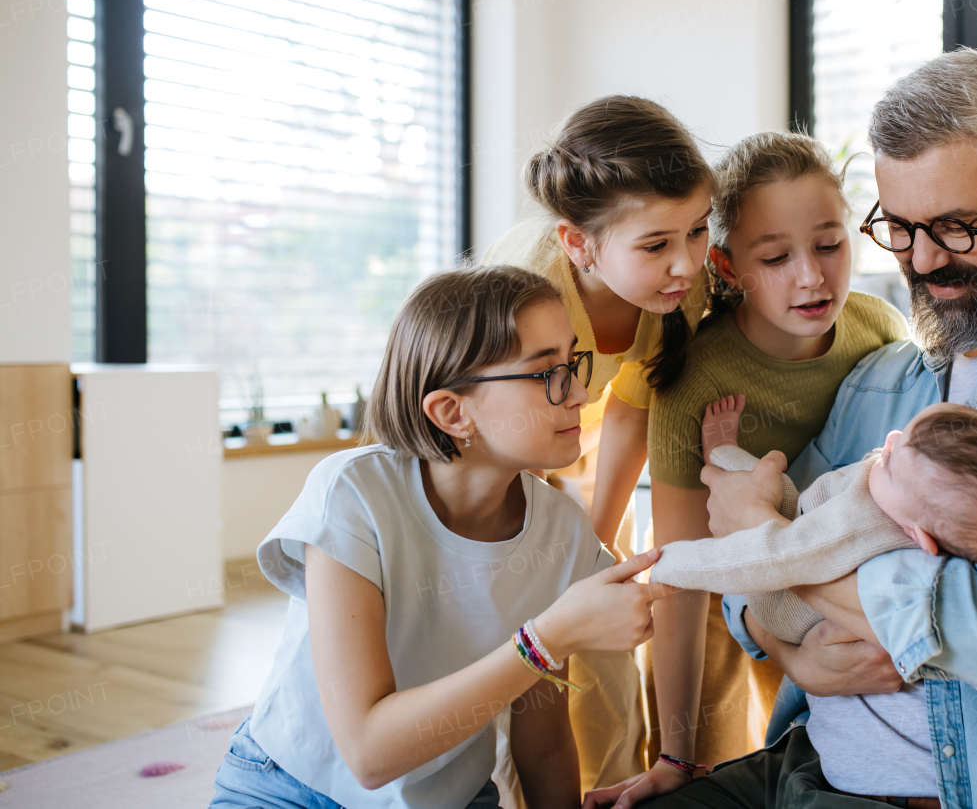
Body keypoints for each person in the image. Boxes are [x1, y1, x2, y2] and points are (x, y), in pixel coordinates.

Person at [643, 49, 977, 809]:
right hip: (799, 756)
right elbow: (742, 603)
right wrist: (796, 657)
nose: (923, 259)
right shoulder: (879, 371)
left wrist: (773, 544)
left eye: (957, 228)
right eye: (899, 228)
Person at [207, 265, 677, 809]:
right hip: (288, 787)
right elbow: (369, 753)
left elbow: (543, 744)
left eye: (572, 363)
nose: (579, 393)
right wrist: (547, 639)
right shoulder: (353, 493)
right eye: (546, 372)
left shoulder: (561, 531)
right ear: (453, 412)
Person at [590, 132, 908, 807]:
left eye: (829, 245)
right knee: (711, 751)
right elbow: (681, 573)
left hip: (831, 571)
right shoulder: (695, 377)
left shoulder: (880, 329)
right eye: (776, 257)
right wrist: (673, 754)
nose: (811, 277)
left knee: (809, 746)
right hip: (724, 580)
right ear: (729, 269)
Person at [483, 95, 714, 793]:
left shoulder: (679, 297)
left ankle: (611, 781)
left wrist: (596, 542)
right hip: (488, 451)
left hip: (564, 433)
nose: (685, 264)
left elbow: (629, 415)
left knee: (603, 615)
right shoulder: (529, 297)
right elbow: (486, 453)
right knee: (518, 641)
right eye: (656, 245)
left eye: (698, 232)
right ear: (579, 244)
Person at [650, 399, 977, 648]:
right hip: (808, 520)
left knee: (756, 478)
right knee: (772, 489)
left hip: (782, 600)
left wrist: (666, 564)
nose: (891, 440)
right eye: (907, 434)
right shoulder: (907, 497)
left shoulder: (861, 524)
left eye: (894, 461)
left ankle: (719, 453)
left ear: (918, 536)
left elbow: (773, 555)